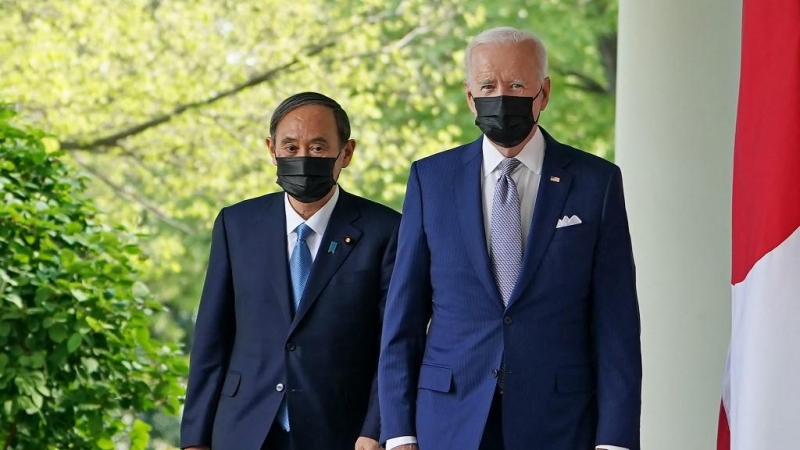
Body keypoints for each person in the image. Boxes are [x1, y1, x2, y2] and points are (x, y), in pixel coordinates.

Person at [378, 27, 642, 450]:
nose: (502, 96)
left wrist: (615, 440)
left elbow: (616, 325)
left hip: (559, 422)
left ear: (545, 92)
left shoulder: (597, 183)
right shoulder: (430, 180)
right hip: (449, 419)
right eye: (488, 85)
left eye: (518, 84)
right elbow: (403, 318)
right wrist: (397, 431)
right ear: (469, 96)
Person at [180, 92, 400, 450]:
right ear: (272, 150)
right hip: (242, 430)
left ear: (346, 152)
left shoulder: (385, 230)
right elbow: (211, 338)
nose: (302, 157)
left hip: (341, 432)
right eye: (291, 147)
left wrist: (375, 428)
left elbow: (394, 343)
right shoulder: (236, 225)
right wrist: (194, 439)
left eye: (317, 148)